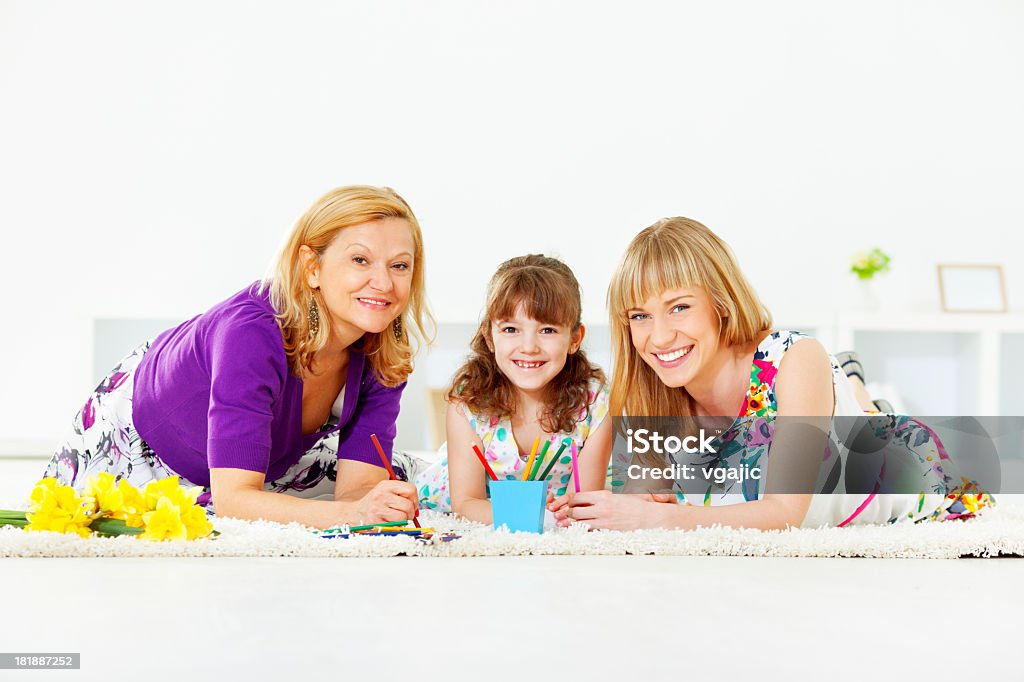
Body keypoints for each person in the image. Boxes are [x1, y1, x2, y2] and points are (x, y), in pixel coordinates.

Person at [558, 217, 993, 530]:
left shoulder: (794, 358)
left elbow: (784, 512)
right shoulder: (649, 387)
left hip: (904, 475)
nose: (659, 337)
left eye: (679, 307)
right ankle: (856, 388)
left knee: (869, 432)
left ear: (721, 303)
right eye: (639, 316)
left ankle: (857, 392)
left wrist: (663, 517)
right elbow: (651, 507)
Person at [44, 185, 434, 529]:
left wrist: (368, 506)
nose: (383, 283)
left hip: (262, 463)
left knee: (408, 485)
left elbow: (358, 492)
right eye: (360, 260)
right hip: (142, 444)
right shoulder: (251, 334)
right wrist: (351, 514)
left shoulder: (385, 349)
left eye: (399, 265)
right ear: (312, 267)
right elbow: (234, 501)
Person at [413, 254, 612, 524]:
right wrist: (532, 517)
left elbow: (582, 503)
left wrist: (560, 515)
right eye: (510, 329)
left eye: (548, 330)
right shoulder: (467, 402)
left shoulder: (595, 402)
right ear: (489, 337)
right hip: (476, 503)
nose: (529, 346)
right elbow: (467, 503)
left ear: (574, 339)